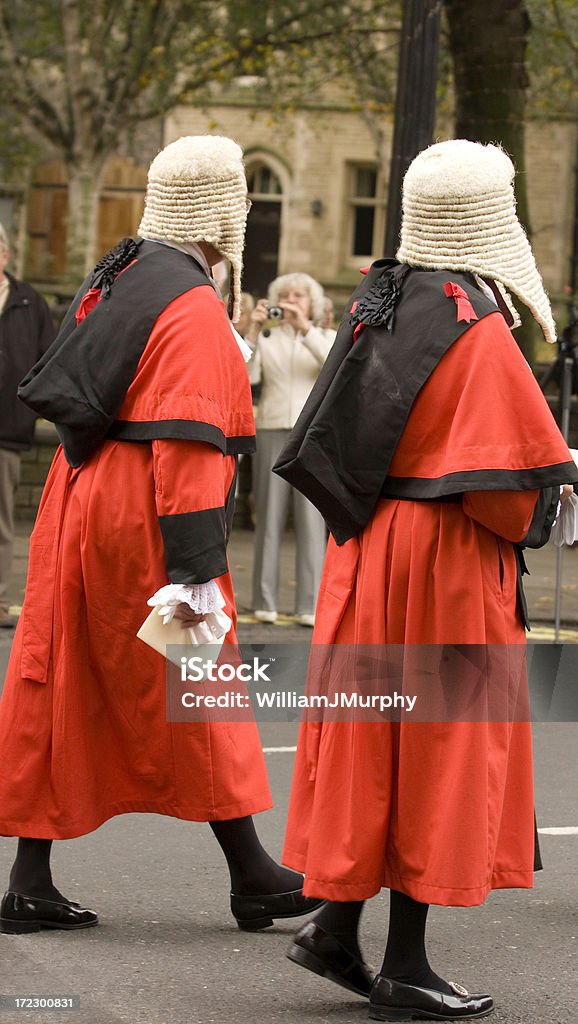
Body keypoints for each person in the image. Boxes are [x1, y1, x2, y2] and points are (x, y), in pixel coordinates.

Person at [273, 140, 578, 1020]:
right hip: (439, 564)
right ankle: (405, 967)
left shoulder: (380, 303)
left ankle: (334, 930)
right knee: (435, 754)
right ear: (494, 217)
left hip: (366, 555)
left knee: (375, 747)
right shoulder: (475, 326)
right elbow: (506, 488)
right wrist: (550, 506)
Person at [0, 136, 323, 935]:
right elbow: (189, 446)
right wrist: (197, 572)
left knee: (59, 673)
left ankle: (28, 880)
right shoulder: (191, 305)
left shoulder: (111, 278)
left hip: (75, 503)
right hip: (146, 514)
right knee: (200, 682)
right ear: (222, 211)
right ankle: (252, 875)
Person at [245, 273, 335, 626]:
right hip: (271, 430)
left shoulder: (325, 336)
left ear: (311, 302)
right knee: (268, 517)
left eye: (299, 295)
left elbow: (335, 367)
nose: (292, 300)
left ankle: (310, 604)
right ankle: (263, 601)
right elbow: (248, 376)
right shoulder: (266, 337)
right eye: (285, 294)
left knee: (312, 519)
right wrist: (252, 331)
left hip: (310, 435)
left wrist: (306, 331)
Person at [0, 223, 55, 629]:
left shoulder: (29, 301)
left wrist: (27, 410)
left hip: (7, 429)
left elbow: (47, 362)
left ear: (4, 254)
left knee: (2, 521)